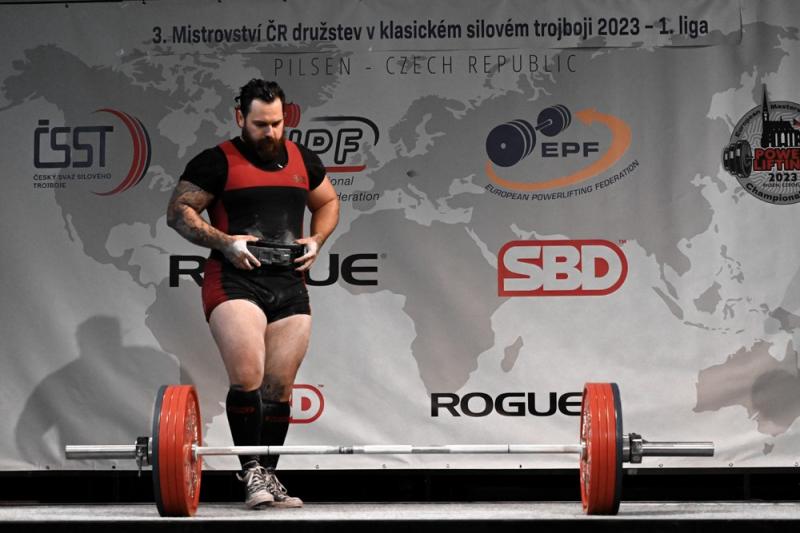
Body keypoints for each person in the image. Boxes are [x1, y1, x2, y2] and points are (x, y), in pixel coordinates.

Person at [166, 79, 339, 509]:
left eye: (277, 123)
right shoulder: (216, 162)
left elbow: (328, 202)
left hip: (289, 283)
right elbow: (179, 212)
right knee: (247, 377)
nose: (270, 132)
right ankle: (251, 472)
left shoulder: (303, 159)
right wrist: (226, 242)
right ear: (240, 117)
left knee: (279, 388)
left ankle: (270, 475)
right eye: (261, 124)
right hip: (234, 280)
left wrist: (317, 239)